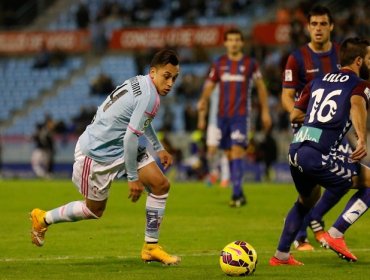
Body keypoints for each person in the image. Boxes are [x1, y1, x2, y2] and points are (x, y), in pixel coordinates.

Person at [30, 49, 181, 265]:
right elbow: (131, 137)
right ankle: (42, 218)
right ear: (153, 72)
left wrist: (159, 147)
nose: (170, 83)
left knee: (160, 185)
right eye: (167, 76)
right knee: (94, 210)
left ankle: (151, 247)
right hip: (97, 154)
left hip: (117, 146)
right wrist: (132, 178)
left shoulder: (142, 83)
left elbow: (137, 123)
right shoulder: (150, 96)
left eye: (174, 78)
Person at [269, 37, 370, 266]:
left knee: (307, 198)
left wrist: (317, 121)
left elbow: (294, 115)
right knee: (364, 181)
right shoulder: (360, 85)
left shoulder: (316, 81)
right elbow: (356, 104)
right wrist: (362, 137)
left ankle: (281, 255)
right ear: (358, 61)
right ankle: (335, 233)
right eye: (369, 59)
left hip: (296, 150)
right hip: (318, 153)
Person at [281, 5, 351, 251]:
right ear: (308, 27)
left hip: (336, 129)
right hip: (308, 129)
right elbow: (287, 95)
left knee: (342, 177)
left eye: (323, 24)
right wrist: (297, 115)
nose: (318, 29)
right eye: (314, 24)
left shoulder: (343, 55)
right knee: (312, 187)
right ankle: (303, 234)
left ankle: (316, 224)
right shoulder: (297, 57)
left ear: (331, 26)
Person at [197, 28, 271, 207]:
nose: (234, 43)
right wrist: (203, 100)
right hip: (222, 116)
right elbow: (209, 85)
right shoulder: (219, 63)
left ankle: (237, 194)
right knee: (229, 152)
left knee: (237, 150)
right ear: (225, 43)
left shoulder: (250, 64)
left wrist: (265, 111)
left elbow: (261, 87)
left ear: (242, 42)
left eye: (237, 40)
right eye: (230, 40)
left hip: (241, 115)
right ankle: (238, 191)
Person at [198, 87, 230, 188]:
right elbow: (204, 101)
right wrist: (201, 118)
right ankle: (214, 173)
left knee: (225, 150)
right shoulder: (212, 83)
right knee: (211, 150)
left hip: (226, 120)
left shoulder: (229, 82)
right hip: (213, 121)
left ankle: (225, 178)